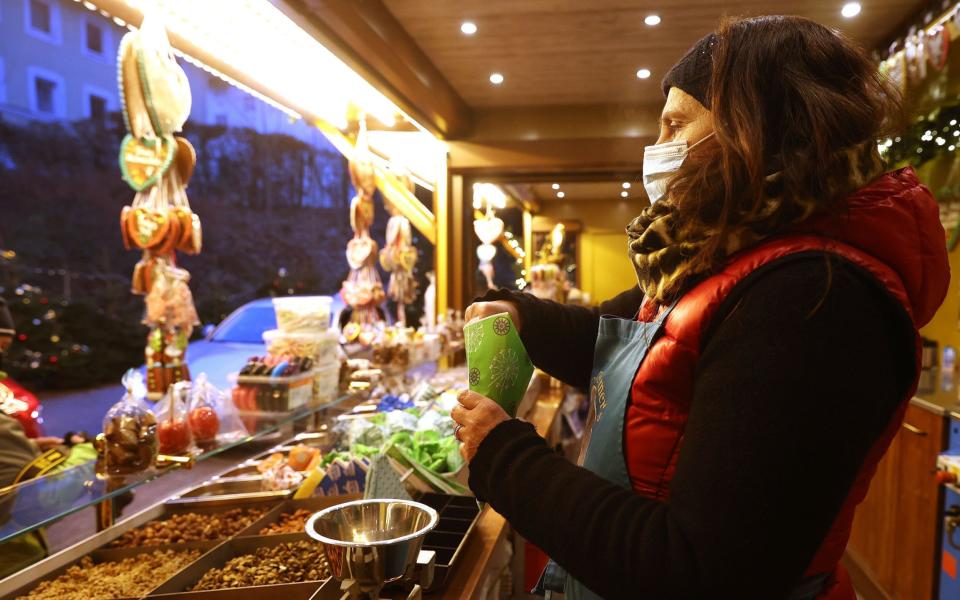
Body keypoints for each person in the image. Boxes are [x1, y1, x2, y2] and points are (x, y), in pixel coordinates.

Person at [452, 16, 950, 600]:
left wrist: (507, 457)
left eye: (674, 125)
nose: (657, 150)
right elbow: (613, 336)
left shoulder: (813, 298)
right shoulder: (726, 253)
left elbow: (696, 568)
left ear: (753, 128)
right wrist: (519, 314)